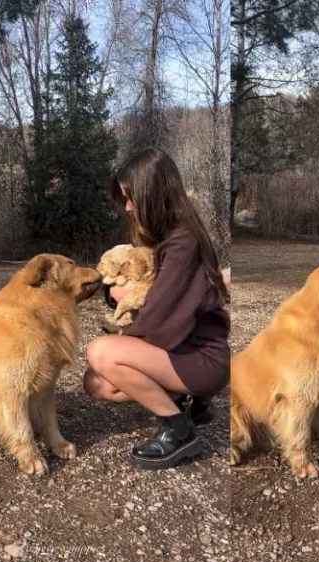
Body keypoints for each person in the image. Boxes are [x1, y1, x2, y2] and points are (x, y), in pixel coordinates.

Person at [83, 148, 231, 470]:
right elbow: (148, 294)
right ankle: (190, 403)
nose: (128, 207)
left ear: (152, 193)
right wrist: (117, 294)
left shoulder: (183, 242)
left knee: (101, 354)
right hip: (182, 349)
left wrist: (121, 321)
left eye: (131, 197)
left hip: (202, 356)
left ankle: (179, 431)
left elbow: (159, 320)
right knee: (96, 383)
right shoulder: (167, 236)